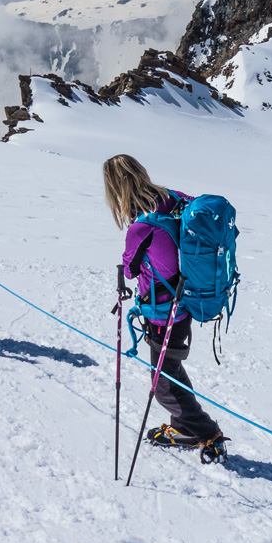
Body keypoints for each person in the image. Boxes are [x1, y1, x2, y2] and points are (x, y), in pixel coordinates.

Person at [102, 154, 226, 461]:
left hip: (162, 310)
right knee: (170, 371)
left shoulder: (140, 226)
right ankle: (183, 426)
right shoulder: (174, 198)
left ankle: (206, 432)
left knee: (162, 385)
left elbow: (130, 268)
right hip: (186, 299)